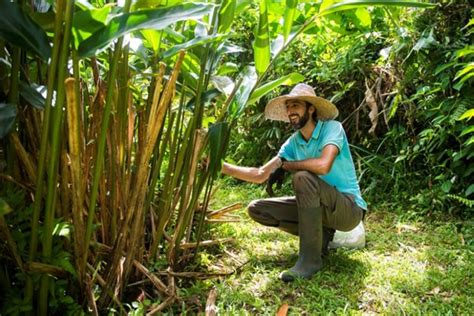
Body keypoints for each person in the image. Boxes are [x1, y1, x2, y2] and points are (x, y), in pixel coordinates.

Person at [221, 83, 367, 282]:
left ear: (311, 108)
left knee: (303, 177)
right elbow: (260, 174)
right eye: (288, 107)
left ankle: (309, 261)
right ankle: (321, 238)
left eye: (295, 105)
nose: (290, 111)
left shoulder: (333, 129)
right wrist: (220, 166)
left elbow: (324, 165)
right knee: (258, 209)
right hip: (320, 209)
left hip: (348, 208)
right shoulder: (292, 143)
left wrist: (289, 166)